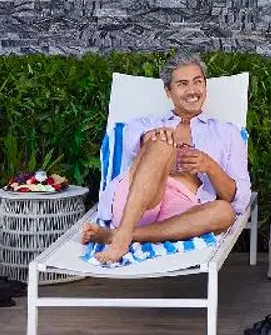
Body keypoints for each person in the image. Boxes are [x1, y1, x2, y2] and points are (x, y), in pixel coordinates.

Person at [81, 58, 251, 265]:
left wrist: (210, 166)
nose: (192, 91)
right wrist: (154, 139)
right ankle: (124, 233)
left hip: (184, 213)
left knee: (225, 212)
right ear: (168, 91)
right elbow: (130, 142)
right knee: (163, 141)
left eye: (198, 82)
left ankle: (118, 235)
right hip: (137, 204)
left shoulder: (228, 133)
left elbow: (239, 199)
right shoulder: (146, 124)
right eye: (182, 84)